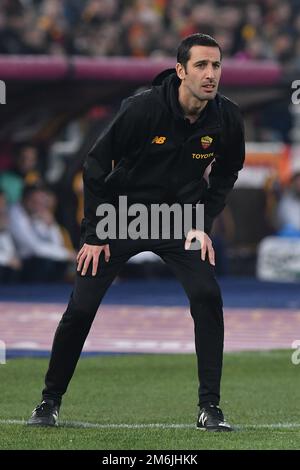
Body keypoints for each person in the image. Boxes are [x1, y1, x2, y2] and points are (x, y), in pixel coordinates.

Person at [27, 33, 245, 431]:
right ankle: (48, 401)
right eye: (201, 65)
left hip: (179, 220)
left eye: (216, 65)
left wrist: (202, 222)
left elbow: (228, 170)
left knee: (207, 294)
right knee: (81, 308)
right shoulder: (141, 109)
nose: (210, 74)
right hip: (120, 215)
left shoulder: (227, 117)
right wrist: (94, 233)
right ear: (180, 71)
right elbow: (95, 165)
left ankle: (210, 408)